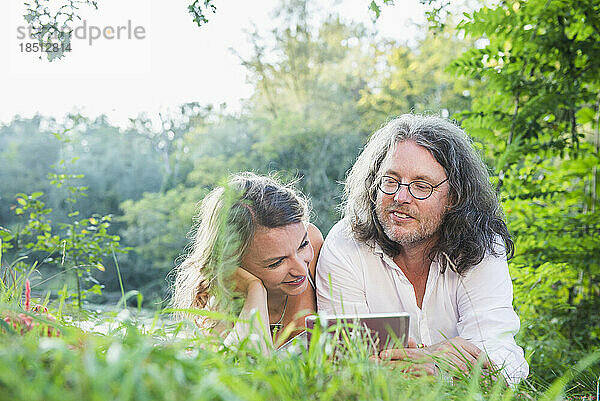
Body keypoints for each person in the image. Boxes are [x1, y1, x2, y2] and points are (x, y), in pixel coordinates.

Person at [316, 114, 529, 385]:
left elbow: (500, 358)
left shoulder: (481, 246)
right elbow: (343, 365)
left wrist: (435, 370)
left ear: (453, 197)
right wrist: (436, 357)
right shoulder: (346, 245)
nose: (400, 197)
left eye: (421, 186)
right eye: (390, 180)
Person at [172, 172, 323, 350]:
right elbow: (249, 371)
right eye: (276, 262)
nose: (300, 270)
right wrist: (254, 289)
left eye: (302, 245)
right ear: (233, 263)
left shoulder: (316, 246)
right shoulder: (221, 310)